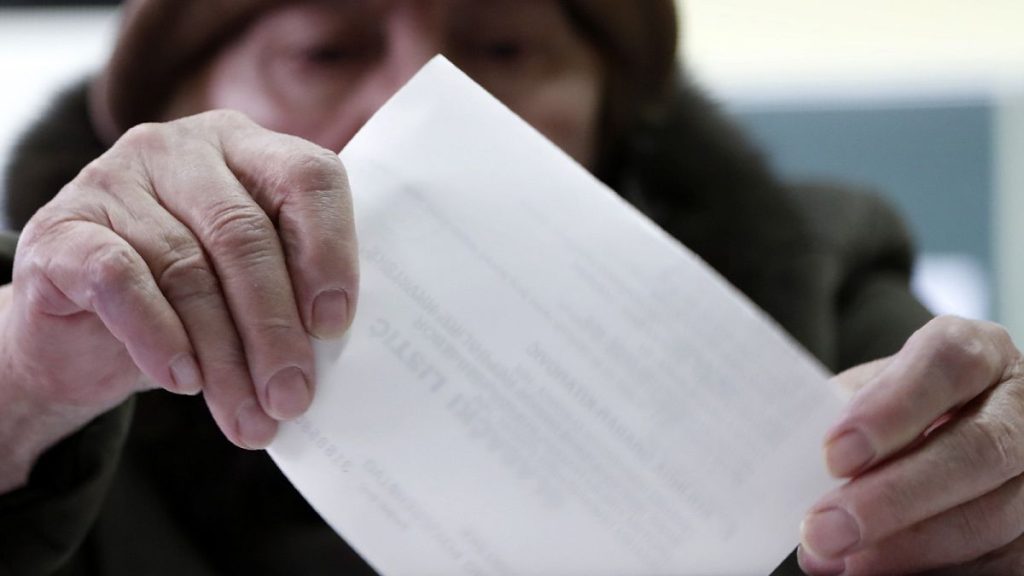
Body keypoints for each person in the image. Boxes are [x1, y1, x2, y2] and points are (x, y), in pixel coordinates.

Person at [1, 1, 1022, 574]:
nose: (416, 93)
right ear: (179, 106)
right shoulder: (49, 353)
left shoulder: (822, 286)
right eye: (324, 48)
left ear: (610, 110)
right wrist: (26, 393)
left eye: (503, 48)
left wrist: (982, 490)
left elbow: (960, 455)